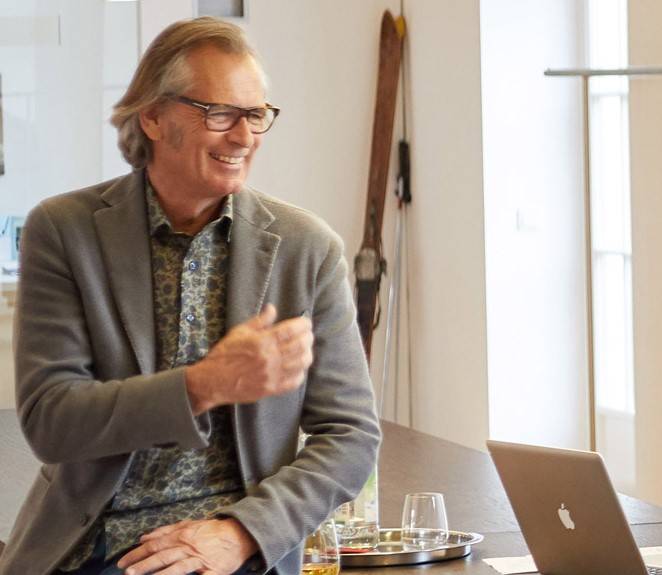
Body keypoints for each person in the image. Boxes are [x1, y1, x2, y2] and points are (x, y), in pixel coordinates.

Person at [0, 17, 380, 575]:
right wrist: (204, 385)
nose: (244, 137)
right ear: (152, 116)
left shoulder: (307, 249)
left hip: (237, 551)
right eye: (219, 113)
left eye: (256, 116)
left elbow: (351, 435)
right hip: (93, 547)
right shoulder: (65, 231)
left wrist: (244, 532)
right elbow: (51, 421)